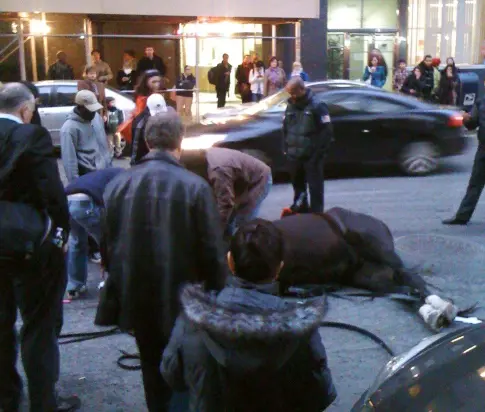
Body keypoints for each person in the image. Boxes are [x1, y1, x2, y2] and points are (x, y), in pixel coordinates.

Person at [99, 112, 227, 412]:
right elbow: (212, 252)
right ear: (179, 142)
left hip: (136, 296)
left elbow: (107, 246)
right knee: (182, 368)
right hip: (183, 299)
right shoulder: (194, 187)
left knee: (151, 366)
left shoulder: (118, 185)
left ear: (146, 141)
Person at [161, 219, 337, 412]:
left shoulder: (193, 316)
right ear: (279, 268)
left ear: (230, 262)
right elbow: (320, 394)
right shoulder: (301, 326)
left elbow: (171, 375)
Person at [0, 83, 79, 411]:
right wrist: (61, 236)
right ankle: (43, 401)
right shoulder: (31, 137)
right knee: (38, 325)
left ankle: (6, 397)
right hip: (30, 244)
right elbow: (52, 194)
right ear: (26, 109)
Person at [273, 207, 460, 332]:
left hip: (343, 240)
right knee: (382, 281)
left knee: (390, 270)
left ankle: (429, 299)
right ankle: (425, 306)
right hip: (341, 262)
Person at [64, 167, 124, 299]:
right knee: (108, 242)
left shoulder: (110, 173)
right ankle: (111, 282)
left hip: (67, 199)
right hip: (84, 203)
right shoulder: (124, 177)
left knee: (77, 241)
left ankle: (74, 285)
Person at [189, 147, 272, 238]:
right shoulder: (206, 156)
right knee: (230, 218)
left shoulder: (218, 170)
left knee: (243, 222)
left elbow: (226, 204)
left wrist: (215, 232)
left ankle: (246, 246)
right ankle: (229, 241)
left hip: (259, 179)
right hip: (241, 180)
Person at [283, 77, 333, 213]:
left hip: (311, 157)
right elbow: (286, 128)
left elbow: (327, 133)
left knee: (315, 189)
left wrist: (317, 156)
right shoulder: (290, 106)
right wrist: (286, 150)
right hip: (294, 156)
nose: (291, 96)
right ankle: (301, 212)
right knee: (299, 189)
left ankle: (317, 218)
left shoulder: (318, 106)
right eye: (289, 93)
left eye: (293, 92)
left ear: (301, 89)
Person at [443, 96, 485, 225]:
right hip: (483, 148)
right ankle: (462, 216)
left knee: (475, 184)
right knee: (475, 183)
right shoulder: (481, 101)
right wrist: (466, 119)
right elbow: (472, 124)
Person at [60, 90, 112, 183]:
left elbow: (104, 146)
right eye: (90, 109)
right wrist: (75, 185)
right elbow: (69, 161)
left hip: (105, 173)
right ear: (80, 107)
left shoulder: (96, 118)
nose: (93, 112)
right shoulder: (69, 128)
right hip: (87, 177)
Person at [118, 69, 162, 145]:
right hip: (145, 134)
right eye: (154, 82)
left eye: (158, 82)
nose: (157, 85)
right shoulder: (143, 98)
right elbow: (140, 118)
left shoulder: (154, 95)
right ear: (146, 82)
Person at [131, 93, 175, 166]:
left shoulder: (171, 116)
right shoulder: (140, 123)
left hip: (166, 159)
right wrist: (134, 165)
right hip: (146, 161)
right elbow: (135, 146)